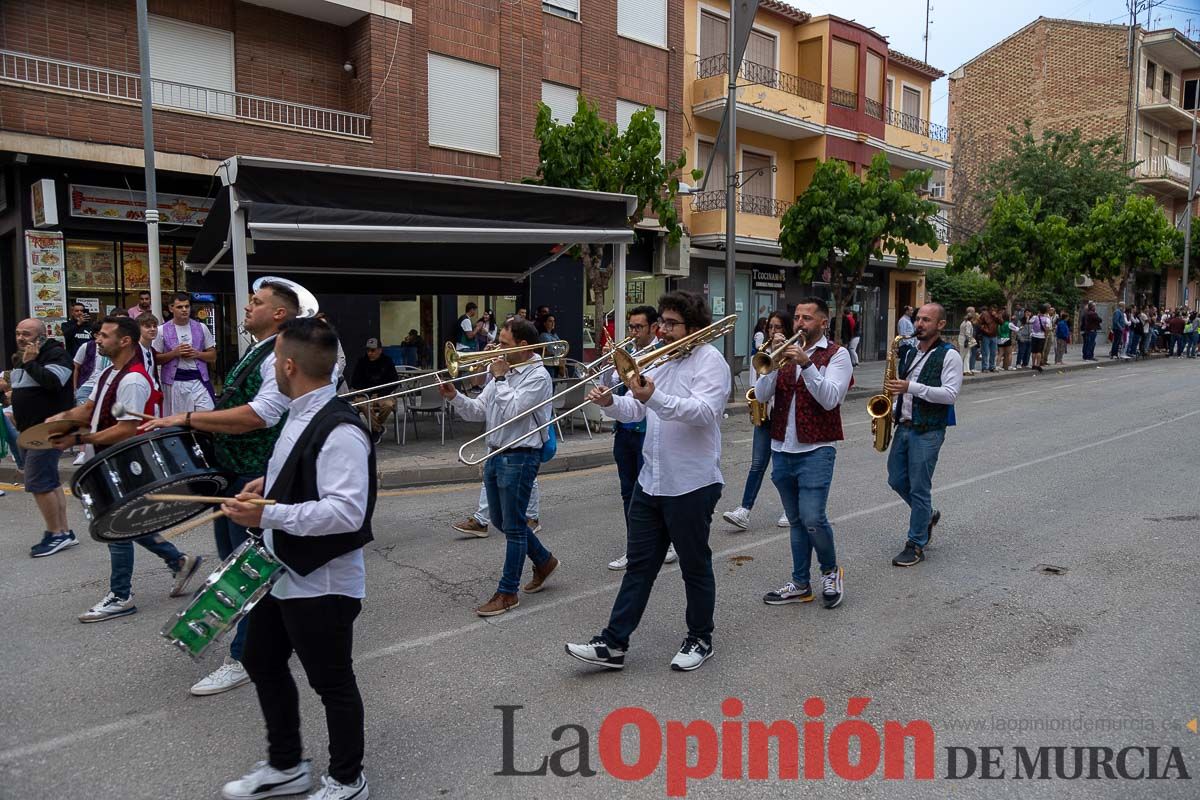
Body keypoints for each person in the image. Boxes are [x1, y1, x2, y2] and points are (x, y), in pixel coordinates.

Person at [218, 317, 375, 800]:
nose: (269, 367)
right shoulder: (301, 410)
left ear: (287, 365)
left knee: (332, 684)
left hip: (322, 582)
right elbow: (299, 468)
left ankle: (348, 780)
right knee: (259, 658)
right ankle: (286, 765)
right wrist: (267, 487)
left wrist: (268, 516)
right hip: (285, 569)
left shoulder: (341, 428)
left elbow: (346, 512)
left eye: (272, 359)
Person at [141, 281, 299, 697]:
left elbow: (262, 415)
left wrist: (189, 419)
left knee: (245, 571)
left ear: (279, 314)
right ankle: (270, 638)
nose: (247, 307)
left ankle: (245, 656)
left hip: (254, 473)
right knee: (240, 565)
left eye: (257, 302)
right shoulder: (260, 350)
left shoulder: (281, 355)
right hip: (236, 469)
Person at [566, 291, 729, 672]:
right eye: (663, 322)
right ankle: (613, 643)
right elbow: (635, 408)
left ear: (693, 327)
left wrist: (654, 398)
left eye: (671, 324)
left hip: (691, 483)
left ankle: (700, 637)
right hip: (652, 480)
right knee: (639, 566)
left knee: (694, 565)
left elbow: (704, 413)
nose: (662, 330)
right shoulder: (659, 358)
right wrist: (610, 403)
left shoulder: (711, 362)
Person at [45, 317, 202, 622]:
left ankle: (121, 595)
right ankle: (179, 560)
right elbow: (88, 409)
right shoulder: (107, 373)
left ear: (125, 341)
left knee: (114, 528)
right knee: (126, 524)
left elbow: (127, 430)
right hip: (106, 459)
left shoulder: (132, 380)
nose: (97, 340)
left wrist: (79, 438)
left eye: (104, 336)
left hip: (124, 462)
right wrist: (59, 419)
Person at [439, 317, 558, 617]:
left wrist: (501, 377)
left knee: (515, 527)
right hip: (496, 454)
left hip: (520, 456)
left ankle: (508, 593)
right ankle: (544, 561)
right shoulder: (502, 372)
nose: (496, 349)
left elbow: (515, 412)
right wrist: (455, 397)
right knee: (502, 522)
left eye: (504, 344)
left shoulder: (538, 376)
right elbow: (480, 411)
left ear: (522, 345)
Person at [755, 299, 852, 610]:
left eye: (807, 318)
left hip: (816, 448)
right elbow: (760, 395)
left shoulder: (837, 355)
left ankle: (829, 571)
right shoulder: (782, 354)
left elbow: (830, 400)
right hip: (782, 447)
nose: (799, 324)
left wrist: (806, 365)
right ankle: (799, 583)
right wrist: (774, 359)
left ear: (823, 323)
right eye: (796, 317)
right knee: (796, 521)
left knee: (812, 518)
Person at [886, 303, 963, 567]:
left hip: (929, 429)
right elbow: (903, 391)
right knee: (896, 479)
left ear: (940, 325)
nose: (919, 324)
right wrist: (892, 408)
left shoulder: (949, 355)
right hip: (904, 425)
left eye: (926, 320)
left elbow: (950, 394)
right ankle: (927, 514)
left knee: (920, 487)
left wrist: (912, 386)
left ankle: (916, 544)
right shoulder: (908, 353)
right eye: (918, 319)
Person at [606, 305, 678, 570]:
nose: (633, 332)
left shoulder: (662, 355)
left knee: (651, 493)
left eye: (638, 327)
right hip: (624, 432)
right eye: (631, 327)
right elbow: (616, 388)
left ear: (652, 328)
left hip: (648, 433)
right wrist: (608, 365)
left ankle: (664, 543)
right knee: (628, 493)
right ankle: (633, 547)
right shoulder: (629, 353)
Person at [721, 310, 792, 533]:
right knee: (757, 465)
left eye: (778, 327)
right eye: (771, 327)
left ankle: (790, 510)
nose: (773, 331)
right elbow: (756, 383)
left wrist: (780, 358)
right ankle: (744, 510)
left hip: (785, 417)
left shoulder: (792, 352)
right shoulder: (762, 352)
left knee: (784, 469)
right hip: (765, 414)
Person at [11, 318, 76, 557]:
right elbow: (20, 390)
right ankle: (64, 531)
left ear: (41, 335)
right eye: (18, 333)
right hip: (28, 429)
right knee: (49, 481)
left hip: (47, 429)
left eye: (26, 334)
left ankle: (55, 534)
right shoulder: (22, 356)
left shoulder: (56, 354)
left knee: (39, 482)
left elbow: (53, 383)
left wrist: (29, 363)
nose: (20, 338)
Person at [154, 292, 216, 414]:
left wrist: (197, 354)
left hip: (198, 380)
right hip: (174, 382)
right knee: (179, 421)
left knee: (207, 413)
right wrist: (174, 353)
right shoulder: (161, 330)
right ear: (171, 308)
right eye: (179, 307)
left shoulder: (201, 327)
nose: (184, 310)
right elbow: (155, 359)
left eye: (187, 306)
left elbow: (213, 356)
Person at [349, 338, 397, 444]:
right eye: (368, 350)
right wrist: (368, 393)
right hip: (366, 394)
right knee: (361, 403)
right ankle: (378, 429)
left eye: (373, 350)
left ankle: (375, 429)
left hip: (383, 394)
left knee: (388, 404)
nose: (370, 353)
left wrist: (380, 394)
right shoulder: (361, 362)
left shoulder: (387, 361)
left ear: (380, 350)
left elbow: (394, 381)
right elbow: (355, 381)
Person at [137, 314, 162, 414]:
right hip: (140, 397)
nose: (152, 329)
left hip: (153, 395)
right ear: (138, 329)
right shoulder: (134, 349)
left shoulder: (152, 350)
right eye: (147, 326)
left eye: (154, 326)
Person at [977, 305, 999, 372]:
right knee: (985, 352)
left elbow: (1001, 322)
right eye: (992, 309)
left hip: (994, 335)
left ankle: (992, 366)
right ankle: (985, 367)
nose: (993, 311)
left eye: (994, 309)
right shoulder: (984, 314)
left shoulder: (996, 315)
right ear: (989, 310)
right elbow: (979, 323)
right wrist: (984, 329)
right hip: (986, 335)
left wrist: (996, 316)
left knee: (993, 352)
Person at [1030, 304, 1050, 372]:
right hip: (1042, 336)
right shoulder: (1047, 319)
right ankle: (1038, 365)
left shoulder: (1035, 317)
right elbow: (1047, 329)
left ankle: (1033, 365)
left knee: (1033, 351)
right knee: (1039, 351)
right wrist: (1046, 335)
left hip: (1034, 336)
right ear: (1045, 311)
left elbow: (1029, 322)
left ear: (1039, 310)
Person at [958, 310, 976, 376]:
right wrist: (970, 340)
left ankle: (966, 370)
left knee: (966, 355)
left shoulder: (963, 322)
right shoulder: (968, 323)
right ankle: (962, 370)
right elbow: (967, 333)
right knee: (964, 355)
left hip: (961, 338)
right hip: (965, 339)